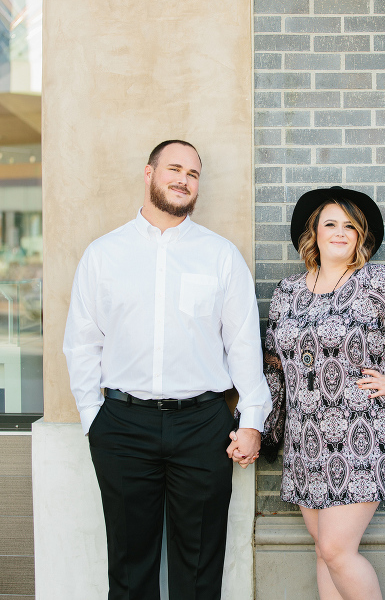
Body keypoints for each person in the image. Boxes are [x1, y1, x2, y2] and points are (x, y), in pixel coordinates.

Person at [63, 139, 273, 600]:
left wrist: (253, 419)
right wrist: (91, 418)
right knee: (129, 563)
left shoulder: (220, 255)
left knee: (199, 564)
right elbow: (82, 342)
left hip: (203, 425)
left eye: (193, 174)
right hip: (122, 424)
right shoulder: (104, 254)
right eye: (174, 169)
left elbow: (243, 345)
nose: (183, 180)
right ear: (149, 173)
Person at [261, 186, 385, 600]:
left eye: (350, 226)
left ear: (361, 236)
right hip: (306, 436)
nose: (340, 232)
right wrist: (268, 429)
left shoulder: (377, 283)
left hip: (363, 431)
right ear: (313, 231)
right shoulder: (287, 292)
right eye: (330, 223)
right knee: (324, 551)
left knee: (336, 548)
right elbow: (274, 364)